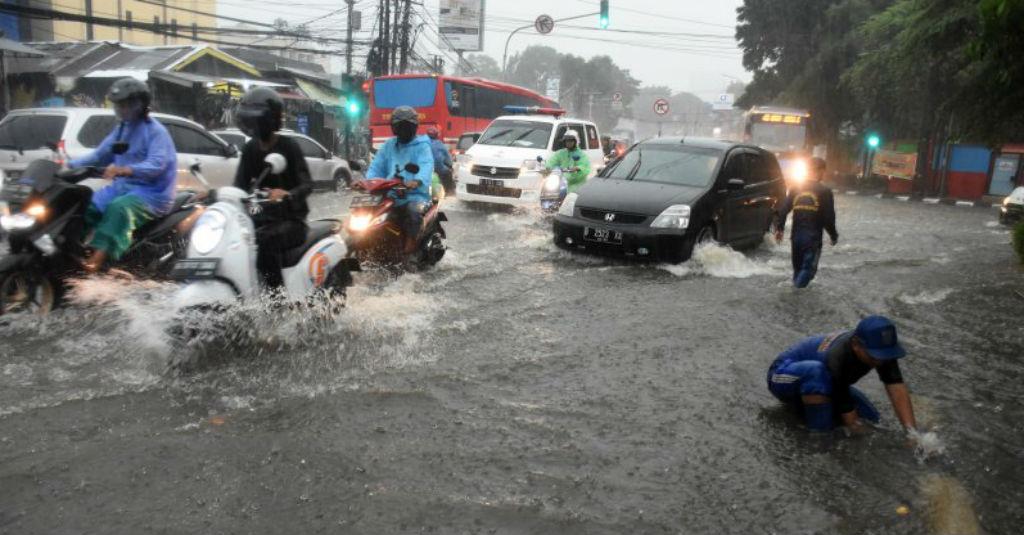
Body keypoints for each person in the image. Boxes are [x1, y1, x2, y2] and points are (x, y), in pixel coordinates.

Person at [69, 78, 177, 272]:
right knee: (85, 206)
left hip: (152, 194)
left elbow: (157, 164)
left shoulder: (156, 132)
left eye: (126, 104)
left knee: (118, 209)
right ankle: (71, 251)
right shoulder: (121, 129)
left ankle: (96, 261)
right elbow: (99, 155)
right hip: (122, 188)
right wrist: (67, 166)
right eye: (118, 104)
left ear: (141, 104)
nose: (121, 108)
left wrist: (126, 170)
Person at [767, 315, 919, 435]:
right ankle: (818, 435)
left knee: (872, 419)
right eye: (874, 356)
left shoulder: (883, 352)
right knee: (816, 372)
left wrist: (912, 434)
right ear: (856, 345)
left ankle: (813, 408)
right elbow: (844, 403)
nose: (879, 362)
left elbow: (897, 388)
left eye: (884, 356)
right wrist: (853, 427)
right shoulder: (838, 356)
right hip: (783, 376)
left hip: (828, 383)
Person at [232, 87, 313, 288]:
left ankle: (275, 301)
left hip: (291, 221)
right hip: (258, 218)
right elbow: (239, 186)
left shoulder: (289, 147)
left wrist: (288, 195)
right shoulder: (250, 149)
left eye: (257, 120)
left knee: (264, 243)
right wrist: (216, 195)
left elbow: (307, 184)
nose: (254, 126)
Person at [363, 105, 434, 259]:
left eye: (406, 126)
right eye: (399, 126)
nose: (403, 130)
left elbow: (426, 166)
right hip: (390, 194)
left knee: (413, 213)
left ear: (414, 127)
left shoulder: (422, 146)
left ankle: (410, 250)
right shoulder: (389, 145)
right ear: (393, 128)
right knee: (366, 211)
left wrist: (416, 181)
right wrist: (366, 182)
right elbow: (376, 167)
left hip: (414, 195)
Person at [774, 157, 837, 288]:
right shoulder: (825, 191)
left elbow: (783, 210)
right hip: (812, 240)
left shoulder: (795, 188)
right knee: (808, 271)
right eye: (823, 172)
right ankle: (794, 297)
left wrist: (779, 229)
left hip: (796, 238)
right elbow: (828, 218)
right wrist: (833, 236)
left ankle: (793, 301)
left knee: (797, 271)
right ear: (820, 171)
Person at [425, 125, 453, 195]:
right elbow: (448, 158)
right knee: (448, 174)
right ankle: (449, 192)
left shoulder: (422, 143)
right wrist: (450, 165)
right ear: (436, 135)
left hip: (425, 170)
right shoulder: (439, 144)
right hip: (439, 170)